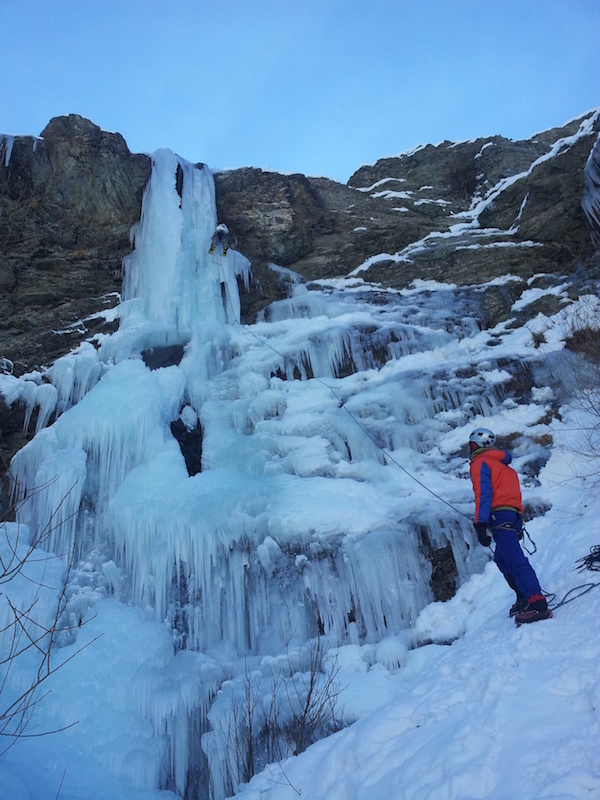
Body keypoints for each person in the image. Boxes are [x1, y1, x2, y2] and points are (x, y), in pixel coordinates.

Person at [468, 427, 552, 625]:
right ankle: (524, 597)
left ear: (476, 446)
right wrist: (519, 523)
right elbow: (514, 497)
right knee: (501, 558)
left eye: (471, 445)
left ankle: (537, 604)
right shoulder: (506, 468)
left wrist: (480, 524)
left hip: (500, 516)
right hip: (513, 516)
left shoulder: (480, 463)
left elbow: (484, 494)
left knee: (514, 560)